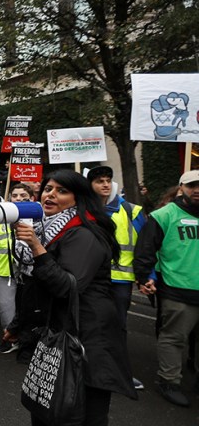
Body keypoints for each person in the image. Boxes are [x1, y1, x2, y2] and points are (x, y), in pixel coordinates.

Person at [6, 170, 134, 426]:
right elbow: (38, 288)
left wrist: (35, 245)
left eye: (61, 191)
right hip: (59, 332)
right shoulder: (53, 232)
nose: (50, 195)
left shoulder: (84, 234)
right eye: (47, 188)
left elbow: (66, 286)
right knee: (42, 402)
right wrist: (18, 326)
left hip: (89, 340)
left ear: (77, 198)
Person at [134, 169, 199, 408]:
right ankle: (169, 381)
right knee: (173, 338)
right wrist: (144, 277)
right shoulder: (164, 216)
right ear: (181, 188)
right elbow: (145, 250)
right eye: (192, 185)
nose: (198, 190)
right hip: (177, 290)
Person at [88, 165, 147, 390]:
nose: (104, 184)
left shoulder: (132, 211)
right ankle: (92, 369)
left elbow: (145, 246)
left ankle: (121, 372)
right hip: (92, 279)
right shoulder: (83, 210)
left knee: (118, 326)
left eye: (107, 180)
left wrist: (147, 275)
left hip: (120, 281)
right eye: (99, 181)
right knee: (93, 324)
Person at [0, 184, 34, 354]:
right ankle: (10, 338)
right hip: (5, 269)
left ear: (31, 198)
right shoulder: (1, 216)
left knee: (28, 306)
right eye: (15, 195)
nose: (18, 198)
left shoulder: (38, 216)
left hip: (29, 271)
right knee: (6, 307)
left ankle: (26, 337)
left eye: (23, 195)